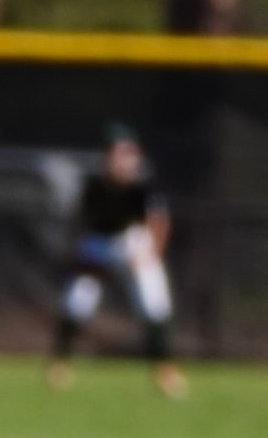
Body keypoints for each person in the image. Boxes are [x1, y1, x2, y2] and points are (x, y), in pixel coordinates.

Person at [49, 123, 187, 398]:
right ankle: (59, 364)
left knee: (153, 303)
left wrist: (151, 253)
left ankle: (165, 370)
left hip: (134, 242)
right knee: (78, 298)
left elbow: (159, 222)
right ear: (107, 156)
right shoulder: (95, 186)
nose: (123, 159)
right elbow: (81, 223)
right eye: (118, 153)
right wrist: (80, 252)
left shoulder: (142, 186)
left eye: (129, 153)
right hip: (100, 243)